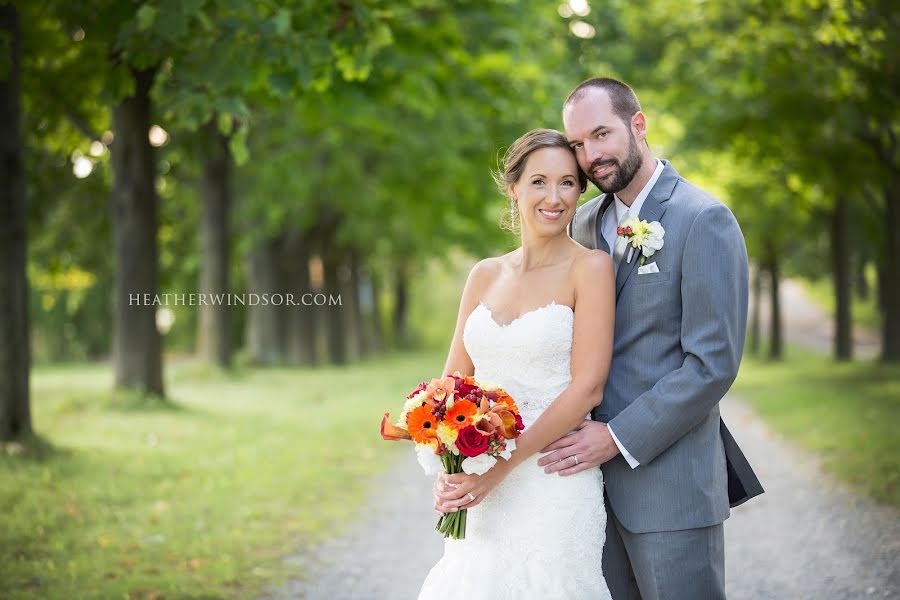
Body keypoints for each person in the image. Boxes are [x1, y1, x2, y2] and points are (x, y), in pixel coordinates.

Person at [434, 77, 763, 599]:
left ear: (638, 125)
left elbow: (712, 365)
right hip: (574, 485)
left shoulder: (703, 220)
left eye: (601, 135)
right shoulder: (583, 224)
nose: (591, 155)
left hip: (665, 482)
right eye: (580, 144)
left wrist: (617, 437)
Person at [418, 128, 615, 599]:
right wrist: (450, 468)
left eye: (568, 183)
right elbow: (450, 386)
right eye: (539, 182)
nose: (554, 197)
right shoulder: (484, 274)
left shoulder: (590, 269)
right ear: (514, 188)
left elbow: (588, 388)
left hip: (553, 480)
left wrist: (502, 466)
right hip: (483, 487)